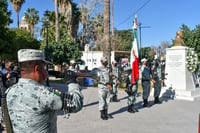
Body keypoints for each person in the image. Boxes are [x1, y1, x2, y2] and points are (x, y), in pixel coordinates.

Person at [6, 49, 83, 133]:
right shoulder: (44, 94)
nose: (46, 72)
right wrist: (72, 82)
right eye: (44, 68)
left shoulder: (9, 92)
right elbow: (75, 103)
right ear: (37, 69)